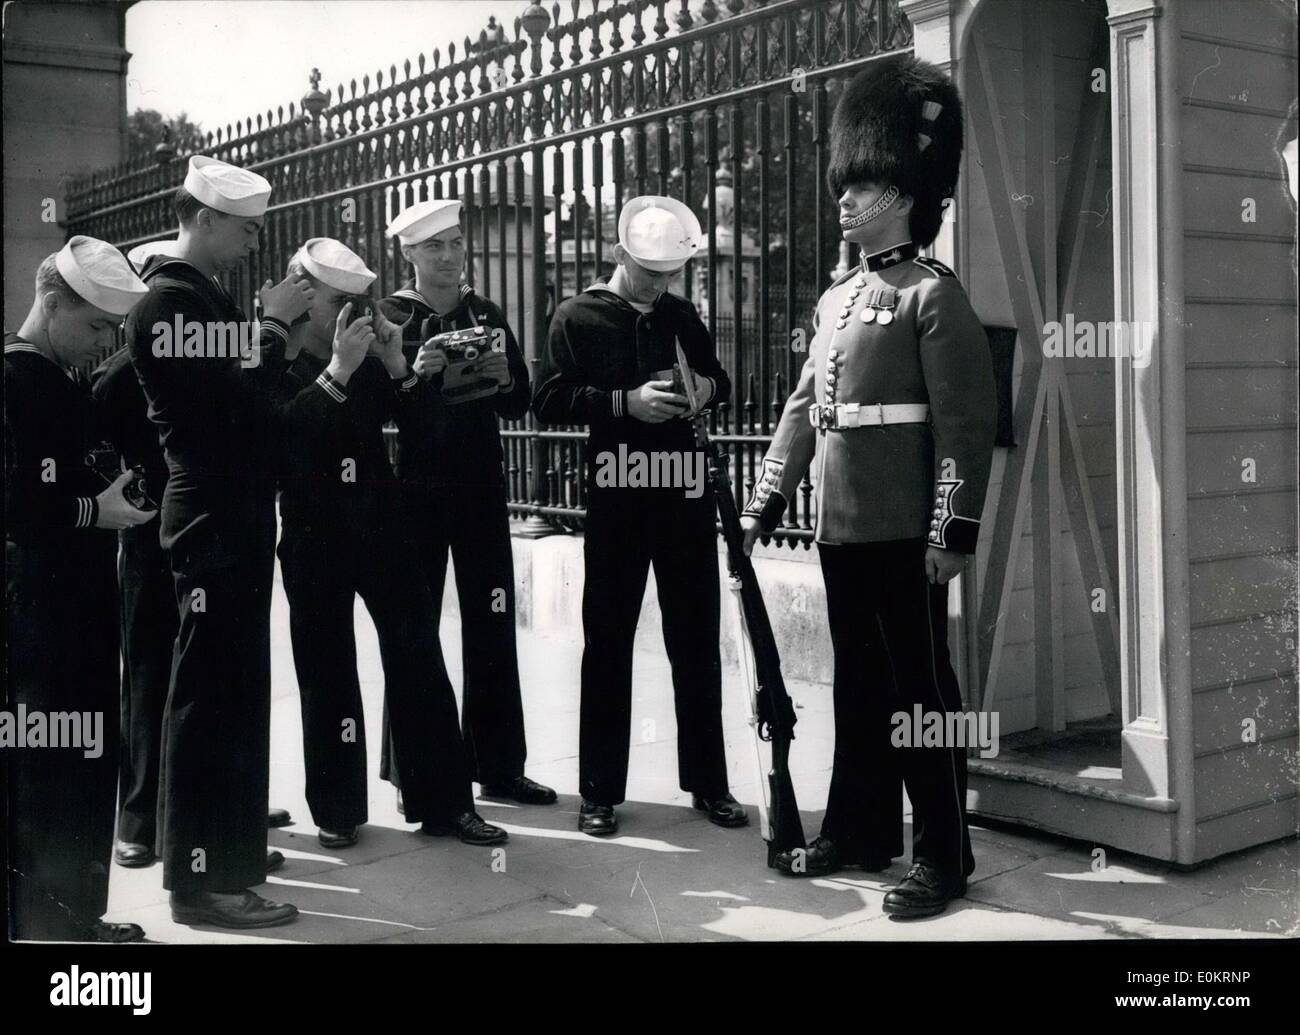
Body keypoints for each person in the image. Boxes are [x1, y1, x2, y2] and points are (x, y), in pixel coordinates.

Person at [741, 55, 997, 918]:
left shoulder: (933, 295)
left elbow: (963, 426)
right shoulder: (836, 300)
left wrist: (950, 531)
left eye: (861, 185)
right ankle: (858, 827)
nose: (843, 201)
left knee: (923, 694)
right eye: (845, 186)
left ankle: (945, 853)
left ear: (901, 190)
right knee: (857, 687)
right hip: (843, 529)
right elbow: (804, 406)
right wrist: (768, 498)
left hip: (903, 530)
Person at [126, 155, 319, 929]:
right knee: (211, 699)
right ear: (203, 220)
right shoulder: (170, 300)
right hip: (212, 517)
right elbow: (230, 406)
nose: (253, 245)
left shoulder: (201, 297)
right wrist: (272, 326)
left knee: (231, 697)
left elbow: (253, 397)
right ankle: (204, 881)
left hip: (229, 515)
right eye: (245, 230)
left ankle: (224, 850)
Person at [276, 237, 506, 848]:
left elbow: (425, 434)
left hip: (381, 524)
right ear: (303, 293)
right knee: (327, 672)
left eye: (359, 301)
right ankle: (337, 809)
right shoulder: (274, 346)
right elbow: (283, 440)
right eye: (336, 301)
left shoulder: (369, 348)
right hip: (312, 533)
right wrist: (338, 372)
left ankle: (446, 804)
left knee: (419, 662)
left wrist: (400, 366)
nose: (351, 314)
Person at [533, 195, 747, 836]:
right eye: (648, 271)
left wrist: (705, 388)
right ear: (619, 254)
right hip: (618, 497)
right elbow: (546, 399)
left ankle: (708, 783)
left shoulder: (682, 314)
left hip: (682, 495)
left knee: (696, 643)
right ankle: (599, 791)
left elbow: (722, 382)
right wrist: (625, 402)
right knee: (608, 643)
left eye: (669, 273)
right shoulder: (576, 315)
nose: (659, 285)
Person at [93, 239, 293, 872]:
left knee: (195, 676)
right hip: (163, 523)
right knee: (159, 671)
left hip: (189, 516)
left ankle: (206, 814)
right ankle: (145, 819)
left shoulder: (201, 332)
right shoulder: (138, 348)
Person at [376, 198, 555, 808]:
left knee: (493, 622)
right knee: (414, 632)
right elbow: (374, 410)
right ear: (408, 253)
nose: (449, 256)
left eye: (455, 243)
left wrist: (505, 377)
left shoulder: (485, 310)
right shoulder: (390, 317)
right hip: (416, 492)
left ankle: (499, 765)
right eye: (434, 247)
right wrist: (409, 372)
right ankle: (415, 776)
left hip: (480, 486)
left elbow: (519, 400)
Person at [5, 236, 153, 941]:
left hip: (72, 607)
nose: (103, 344)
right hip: (46, 614)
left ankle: (64, 917)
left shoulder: (56, 378)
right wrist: (104, 511)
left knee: (75, 764)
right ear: (52, 301)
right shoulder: (19, 379)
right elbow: (20, 506)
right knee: (56, 774)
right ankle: (57, 924)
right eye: (96, 327)